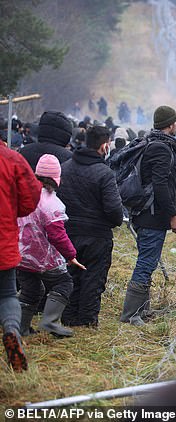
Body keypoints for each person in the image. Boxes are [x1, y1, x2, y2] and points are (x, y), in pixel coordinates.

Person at [119, 106, 176, 326]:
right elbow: (159, 184)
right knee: (146, 262)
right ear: (170, 124)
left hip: (146, 214)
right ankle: (131, 314)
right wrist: (173, 215)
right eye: (175, 122)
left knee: (148, 261)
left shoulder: (154, 142)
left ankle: (142, 309)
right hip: (152, 215)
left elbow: (156, 174)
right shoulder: (161, 147)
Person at [58, 126, 123, 327]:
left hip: (68, 233)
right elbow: (114, 210)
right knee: (93, 279)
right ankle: (86, 321)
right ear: (104, 145)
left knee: (71, 276)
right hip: (97, 236)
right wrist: (114, 221)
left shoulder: (65, 167)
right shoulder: (105, 173)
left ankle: (68, 317)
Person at [17, 155, 85, 338]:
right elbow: (57, 236)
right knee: (64, 283)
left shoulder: (22, 193)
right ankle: (50, 322)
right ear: (57, 179)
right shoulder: (51, 203)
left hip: (20, 255)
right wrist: (71, 255)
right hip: (43, 258)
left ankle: (21, 328)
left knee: (32, 290)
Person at [0, 140, 41, 371]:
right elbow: (29, 200)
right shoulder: (11, 159)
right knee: (6, 295)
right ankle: (12, 331)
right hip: (2, 239)